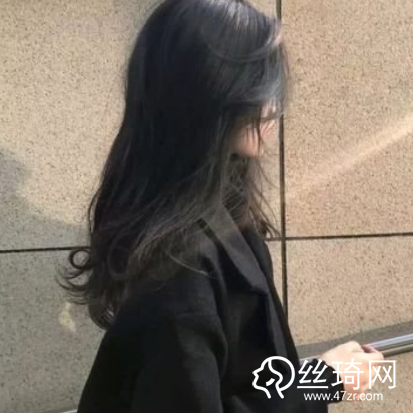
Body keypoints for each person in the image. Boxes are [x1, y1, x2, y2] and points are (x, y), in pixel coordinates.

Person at [63, 0, 384, 411]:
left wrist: (321, 377)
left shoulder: (215, 215)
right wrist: (321, 382)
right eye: (260, 83)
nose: (274, 106)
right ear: (208, 93)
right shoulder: (178, 273)